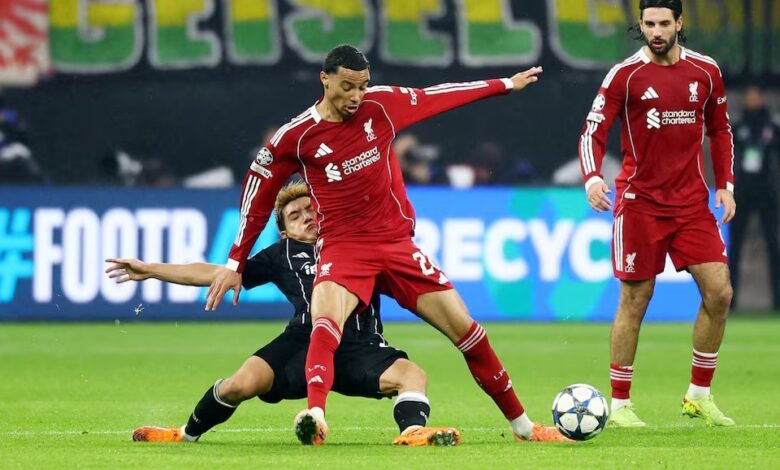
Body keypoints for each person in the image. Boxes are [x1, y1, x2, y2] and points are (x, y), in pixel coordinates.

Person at [206, 44, 568, 444]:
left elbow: (439, 96)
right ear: (325, 80)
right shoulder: (297, 136)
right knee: (324, 324)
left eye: (362, 86)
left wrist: (503, 84)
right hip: (343, 247)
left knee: (469, 332)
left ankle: (523, 428)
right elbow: (258, 192)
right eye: (347, 86)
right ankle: (315, 414)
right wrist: (235, 259)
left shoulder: (380, 106)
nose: (356, 96)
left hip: (396, 243)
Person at [106, 181, 460, 446]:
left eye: (311, 210)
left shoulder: (359, 242)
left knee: (413, 375)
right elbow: (217, 273)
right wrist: (151, 269)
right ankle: (185, 434)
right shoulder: (282, 254)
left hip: (359, 344)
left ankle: (412, 432)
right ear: (284, 229)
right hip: (301, 342)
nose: (306, 217)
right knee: (238, 384)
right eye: (295, 215)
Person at [579, 0, 736, 427]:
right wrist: (593, 177)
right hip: (640, 203)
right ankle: (620, 405)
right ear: (642, 25)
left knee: (719, 292)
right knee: (635, 299)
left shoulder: (705, 71)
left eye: (664, 23)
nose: (656, 31)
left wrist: (726, 184)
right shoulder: (625, 75)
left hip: (690, 203)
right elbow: (593, 130)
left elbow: (720, 129)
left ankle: (698, 396)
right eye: (649, 23)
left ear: (679, 24)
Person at [729, 84, 780, 310]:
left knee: (773, 244)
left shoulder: (772, 126)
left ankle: (777, 299)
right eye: (746, 95)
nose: (750, 99)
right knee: (735, 246)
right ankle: (731, 300)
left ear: (761, 97)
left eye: (753, 95)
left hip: (767, 193)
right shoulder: (738, 126)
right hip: (742, 194)